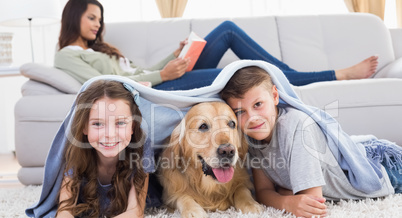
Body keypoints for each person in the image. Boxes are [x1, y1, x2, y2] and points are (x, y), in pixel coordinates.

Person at [54, 0, 379, 90]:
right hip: (153, 90)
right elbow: (102, 84)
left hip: (160, 79)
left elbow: (145, 70)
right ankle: (333, 75)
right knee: (244, 71)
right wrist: (164, 78)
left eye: (99, 18)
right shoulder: (66, 57)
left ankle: (291, 74)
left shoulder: (98, 50)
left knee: (226, 31)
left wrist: (176, 55)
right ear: (74, 17)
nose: (97, 24)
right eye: (92, 17)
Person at [220, 64, 402, 218]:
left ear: (275, 96)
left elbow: (312, 202)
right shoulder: (252, 137)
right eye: (239, 112)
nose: (252, 118)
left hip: (388, 169)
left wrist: (285, 194)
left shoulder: (297, 126)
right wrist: (286, 201)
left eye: (258, 104)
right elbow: (263, 192)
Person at [55, 79, 155, 218]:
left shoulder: (142, 146)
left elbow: (136, 211)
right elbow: (63, 210)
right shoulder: (76, 149)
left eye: (120, 123)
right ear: (84, 127)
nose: (109, 134)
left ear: (133, 127)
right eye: (98, 124)